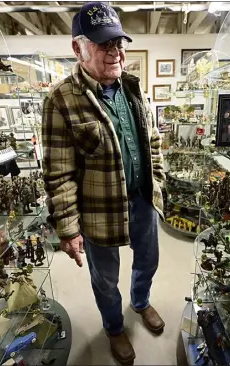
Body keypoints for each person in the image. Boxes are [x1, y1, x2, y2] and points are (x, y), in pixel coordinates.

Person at [41, 2, 165, 364]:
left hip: (142, 198)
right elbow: (58, 172)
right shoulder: (61, 99)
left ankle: (140, 302)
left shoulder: (132, 87)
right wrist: (68, 228)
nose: (115, 51)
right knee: (105, 279)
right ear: (78, 49)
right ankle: (113, 327)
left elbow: (152, 140)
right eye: (102, 44)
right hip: (98, 211)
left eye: (118, 42)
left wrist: (158, 183)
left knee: (150, 259)